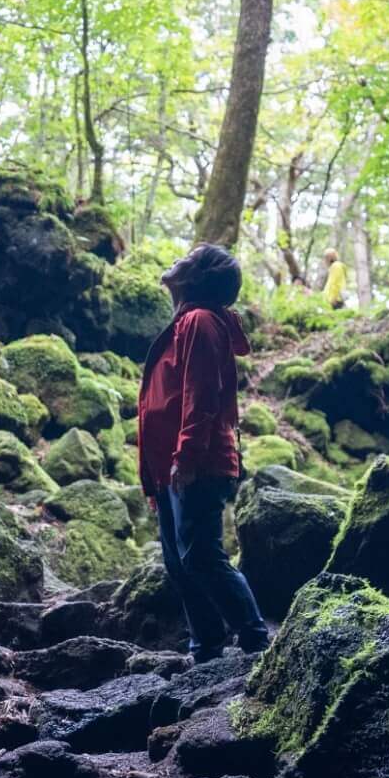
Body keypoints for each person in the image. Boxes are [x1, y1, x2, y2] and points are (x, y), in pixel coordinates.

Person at [137, 244, 272, 664]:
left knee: (200, 553)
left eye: (189, 257)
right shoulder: (186, 323)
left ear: (198, 276)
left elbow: (202, 395)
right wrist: (155, 475)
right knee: (179, 562)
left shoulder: (199, 322)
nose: (177, 258)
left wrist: (187, 456)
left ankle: (255, 640)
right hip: (171, 464)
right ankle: (207, 648)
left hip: (198, 460)